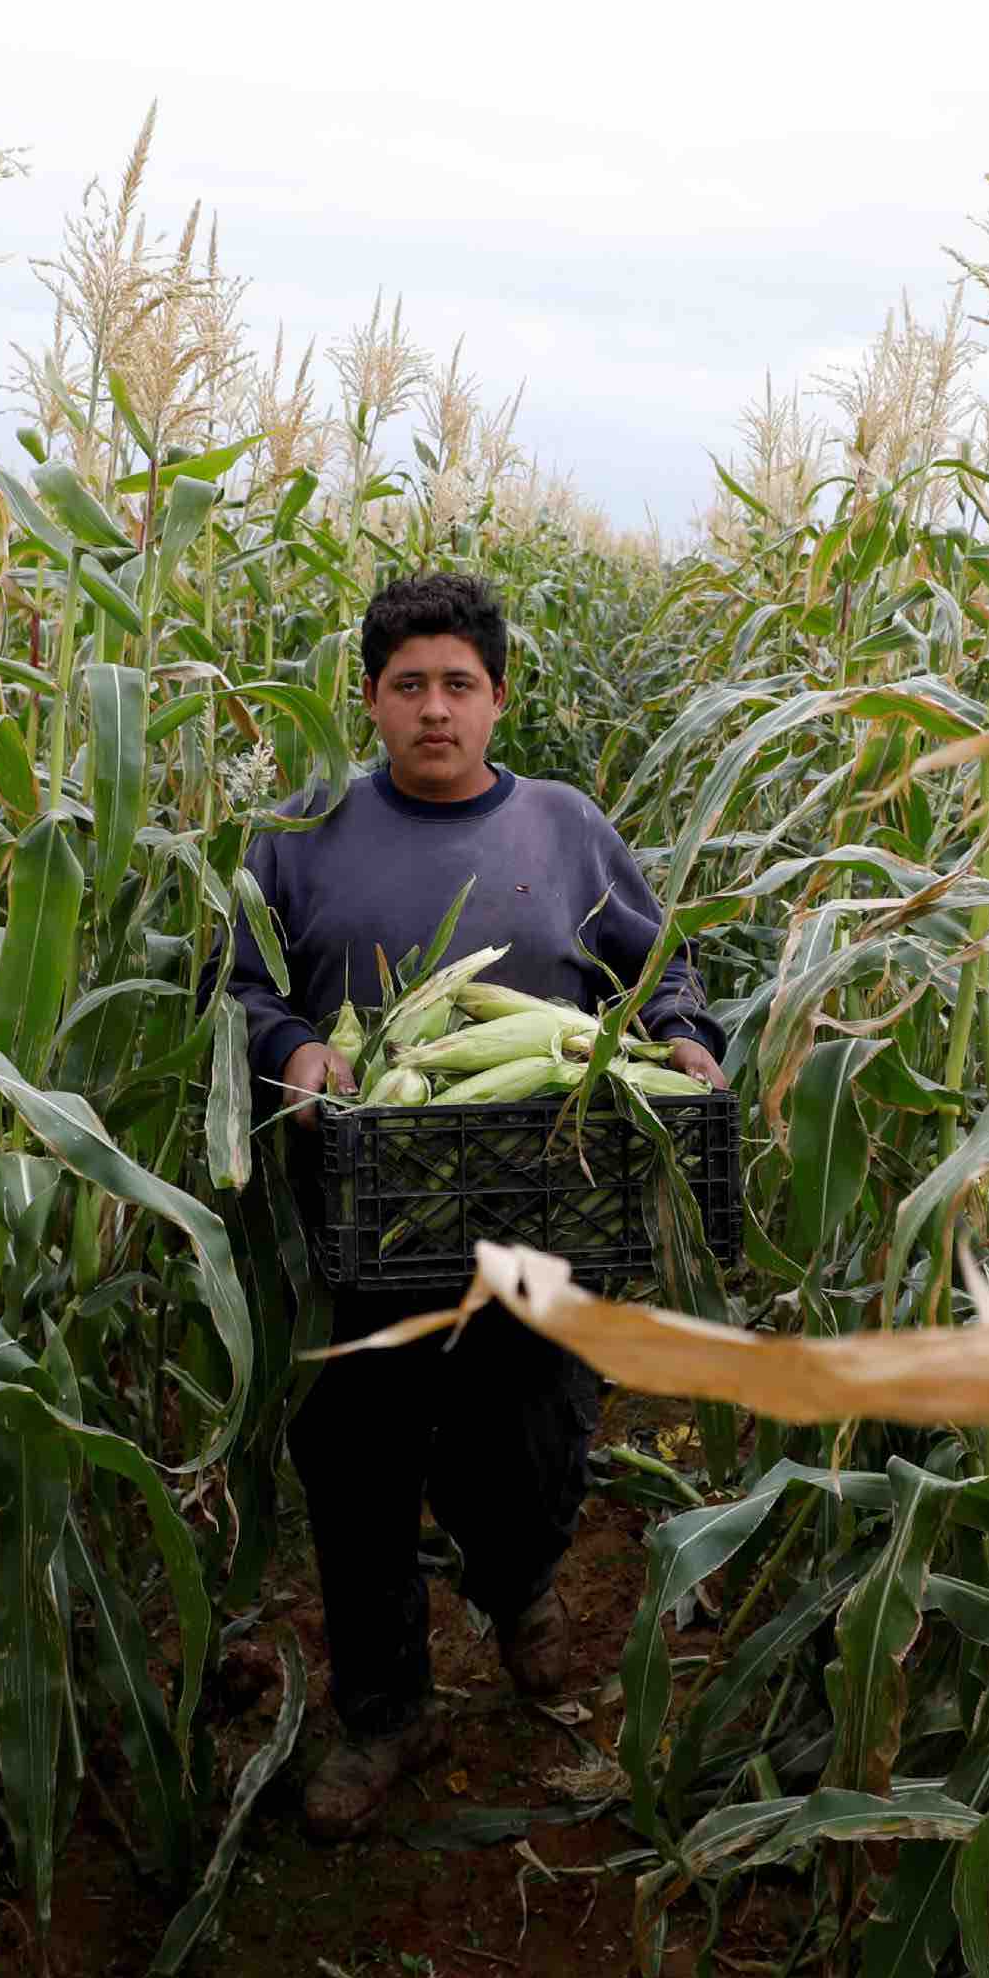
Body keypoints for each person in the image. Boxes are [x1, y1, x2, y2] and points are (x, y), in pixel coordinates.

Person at [223, 568, 727, 1838]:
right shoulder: (297, 833)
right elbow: (246, 987)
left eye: (458, 684)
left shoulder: (563, 827)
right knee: (356, 1465)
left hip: (538, 1199)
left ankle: (518, 1585)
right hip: (364, 1205)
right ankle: (386, 1709)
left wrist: (680, 1037)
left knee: (533, 1431)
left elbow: (654, 966)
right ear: (373, 701)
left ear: (498, 697)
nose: (433, 709)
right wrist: (296, 1053)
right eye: (408, 687)